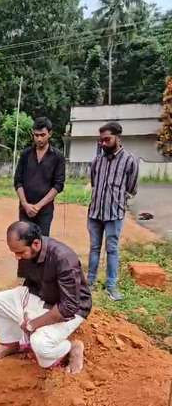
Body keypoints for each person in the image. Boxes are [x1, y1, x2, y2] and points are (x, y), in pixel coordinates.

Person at [0, 221, 92, 374]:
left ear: (36, 244)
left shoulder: (64, 258)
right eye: (14, 253)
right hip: (43, 297)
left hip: (71, 307)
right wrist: (26, 311)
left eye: (20, 252)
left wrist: (32, 324)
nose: (17, 257)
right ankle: (13, 343)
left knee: (40, 345)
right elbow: (30, 284)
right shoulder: (28, 253)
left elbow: (69, 306)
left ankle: (71, 347)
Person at [87, 121, 139, 301]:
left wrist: (117, 200)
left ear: (118, 137)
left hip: (114, 214)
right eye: (101, 140)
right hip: (94, 213)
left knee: (112, 249)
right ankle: (90, 284)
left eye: (107, 139)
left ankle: (111, 287)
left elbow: (131, 188)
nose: (103, 143)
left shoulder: (129, 160)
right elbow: (94, 183)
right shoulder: (97, 160)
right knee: (94, 248)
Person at [14, 116, 65, 236]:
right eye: (36, 135)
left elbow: (58, 185)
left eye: (42, 135)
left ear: (50, 134)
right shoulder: (25, 154)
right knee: (25, 243)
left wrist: (38, 206)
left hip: (45, 211)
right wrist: (25, 204)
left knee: (42, 243)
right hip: (25, 209)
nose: (39, 139)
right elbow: (18, 181)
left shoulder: (57, 157)